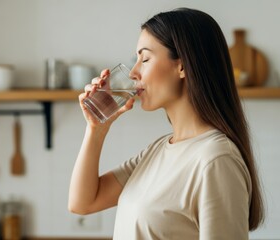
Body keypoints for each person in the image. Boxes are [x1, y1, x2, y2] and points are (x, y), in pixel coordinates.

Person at [68, 7, 264, 240]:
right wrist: (96, 129)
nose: (133, 72)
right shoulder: (157, 150)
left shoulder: (216, 159)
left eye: (145, 58)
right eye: (136, 59)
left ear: (182, 66)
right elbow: (83, 203)